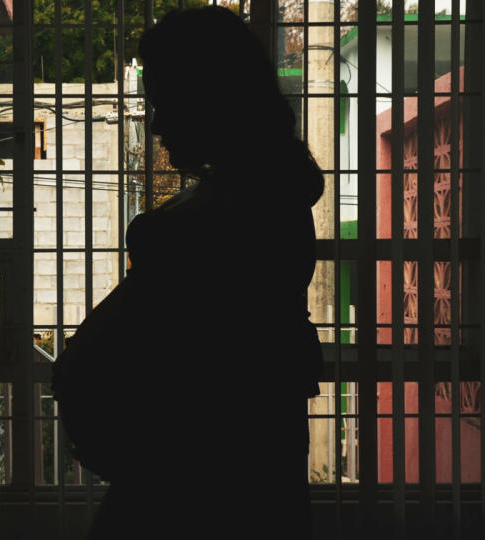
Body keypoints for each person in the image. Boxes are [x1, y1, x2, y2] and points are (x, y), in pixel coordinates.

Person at [51, 6, 324, 539]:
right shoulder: (261, 193)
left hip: (198, 490)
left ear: (213, 98)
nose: (156, 124)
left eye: (167, 103)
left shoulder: (244, 210)